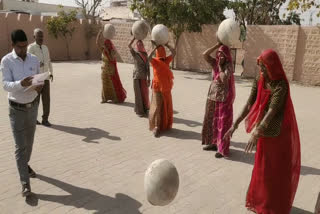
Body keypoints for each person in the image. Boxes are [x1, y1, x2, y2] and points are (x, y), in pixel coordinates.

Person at [224, 49, 301, 213]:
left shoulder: (281, 84)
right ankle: (261, 202)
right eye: (261, 67)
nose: (263, 71)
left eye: (265, 67)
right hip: (263, 131)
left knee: (275, 171)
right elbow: (249, 103)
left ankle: (274, 206)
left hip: (279, 134)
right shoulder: (260, 77)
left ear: (272, 66)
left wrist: (256, 133)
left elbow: (272, 112)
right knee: (262, 169)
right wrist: (234, 125)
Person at [1, 29, 42, 197]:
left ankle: (25, 164)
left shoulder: (34, 59)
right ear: (13, 45)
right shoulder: (6, 61)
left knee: (29, 144)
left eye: (25, 46)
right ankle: (25, 183)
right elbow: (5, 85)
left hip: (32, 107)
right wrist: (21, 83)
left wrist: (39, 85)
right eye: (20, 47)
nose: (24, 50)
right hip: (16, 109)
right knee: (20, 147)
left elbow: (39, 79)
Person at [201, 42, 235, 158]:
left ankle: (222, 149)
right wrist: (216, 45)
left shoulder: (229, 66)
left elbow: (224, 79)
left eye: (222, 55)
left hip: (224, 99)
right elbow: (205, 54)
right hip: (213, 97)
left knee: (222, 124)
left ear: (226, 56)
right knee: (212, 122)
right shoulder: (214, 62)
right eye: (218, 55)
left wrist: (220, 66)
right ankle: (214, 143)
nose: (220, 57)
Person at [148, 42, 176, 137]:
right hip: (157, 87)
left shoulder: (166, 60)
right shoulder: (155, 61)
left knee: (165, 106)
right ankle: (156, 127)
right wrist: (154, 48)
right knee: (157, 107)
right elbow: (148, 58)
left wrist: (167, 44)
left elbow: (174, 52)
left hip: (166, 87)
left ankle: (163, 125)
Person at [28, 28, 53, 127]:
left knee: (46, 100)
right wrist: (37, 64)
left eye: (42, 36)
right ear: (34, 37)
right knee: (35, 100)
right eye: (39, 36)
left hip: (46, 76)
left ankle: (45, 119)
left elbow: (49, 61)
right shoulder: (31, 48)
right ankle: (33, 118)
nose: (41, 38)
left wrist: (51, 72)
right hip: (37, 77)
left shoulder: (45, 48)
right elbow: (28, 62)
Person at [96, 29, 126, 103]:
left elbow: (111, 59)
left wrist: (107, 51)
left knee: (112, 83)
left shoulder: (112, 50)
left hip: (110, 68)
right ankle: (104, 98)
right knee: (104, 82)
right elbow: (97, 43)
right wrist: (99, 34)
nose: (105, 45)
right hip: (104, 68)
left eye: (107, 44)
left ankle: (115, 97)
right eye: (105, 44)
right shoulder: (103, 49)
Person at [128, 37, 150, 117]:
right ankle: (142, 110)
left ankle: (142, 110)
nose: (139, 46)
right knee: (141, 93)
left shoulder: (140, 54)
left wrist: (133, 38)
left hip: (139, 77)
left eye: (139, 44)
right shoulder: (141, 54)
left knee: (141, 94)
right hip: (140, 76)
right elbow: (148, 68)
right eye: (139, 44)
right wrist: (149, 78)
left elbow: (148, 67)